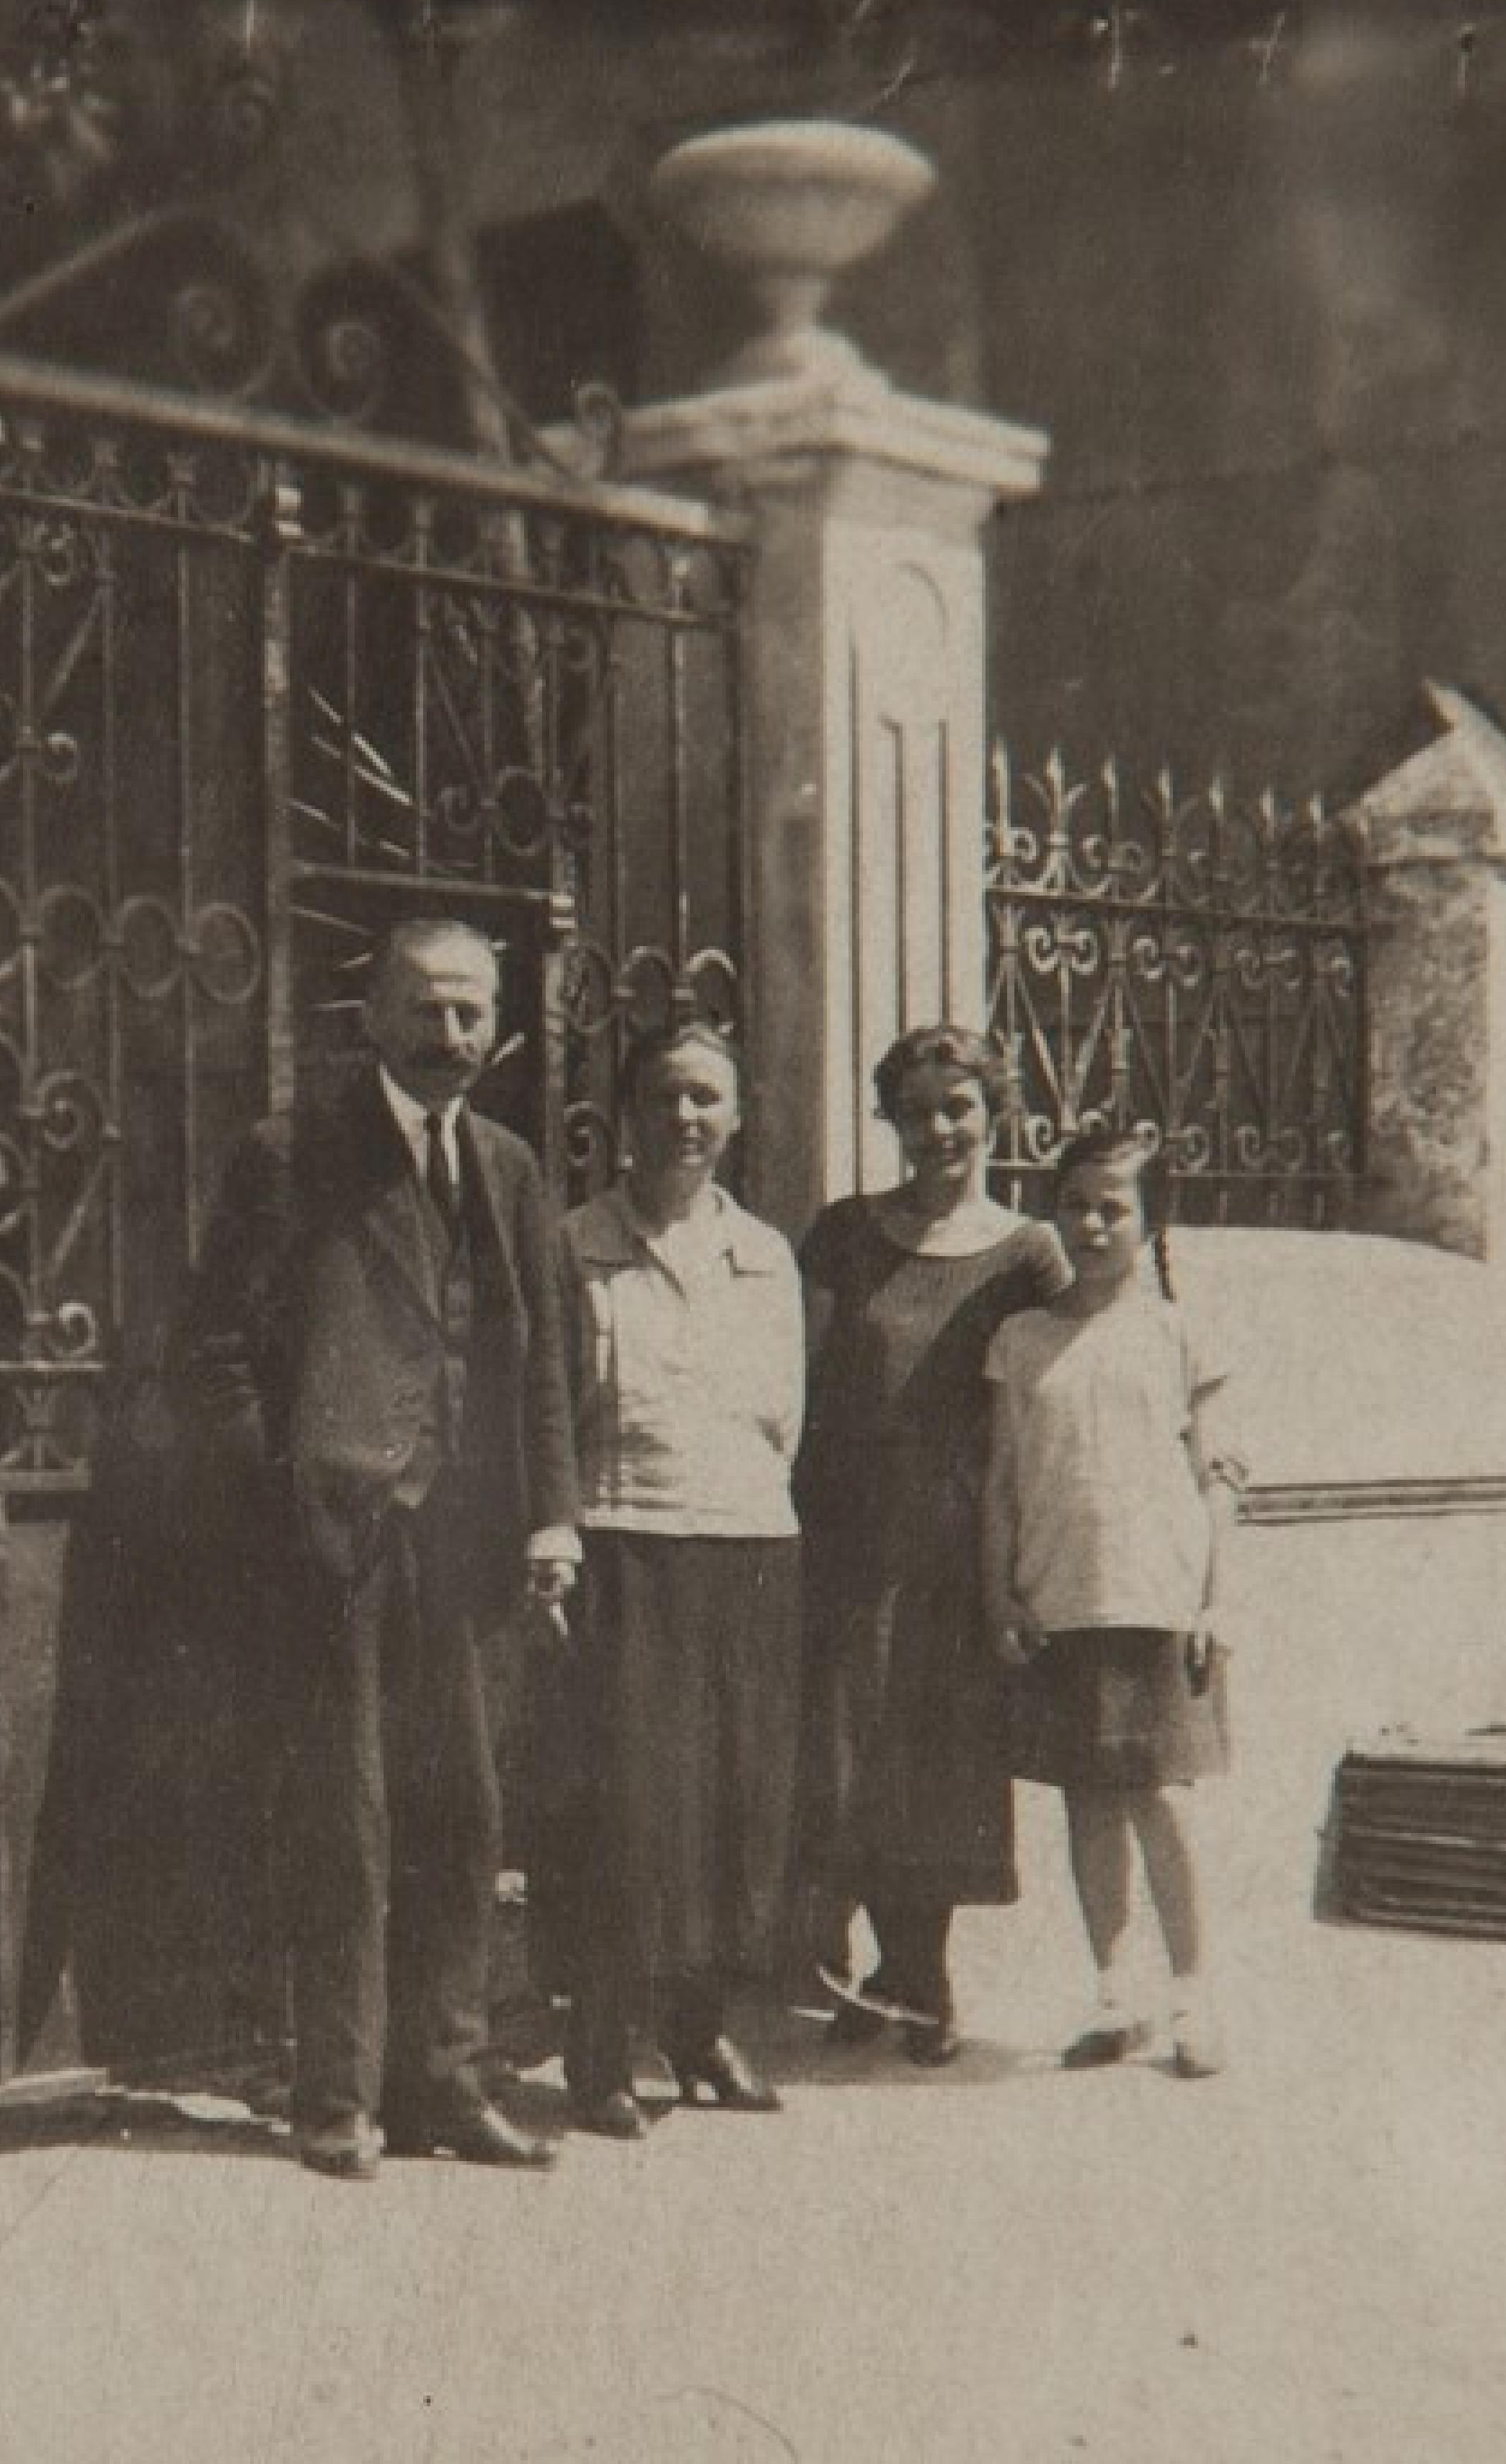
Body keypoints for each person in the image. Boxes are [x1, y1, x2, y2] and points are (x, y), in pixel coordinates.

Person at [177, 917, 581, 2180]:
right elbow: (217, 1351)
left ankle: (444, 2083)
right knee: (344, 1818)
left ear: (498, 1024)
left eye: (471, 1012)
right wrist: (285, 1499)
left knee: (462, 1815)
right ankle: (336, 2097)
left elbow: (544, 1353)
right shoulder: (291, 1153)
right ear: (373, 1019)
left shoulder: (508, 1164)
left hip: (467, 1544)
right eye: (426, 1009)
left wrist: (553, 1513)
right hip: (336, 1540)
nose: (449, 1034)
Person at [792, 1023, 1071, 2063]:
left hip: (959, 1546)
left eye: (959, 1106)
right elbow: (794, 1366)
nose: (940, 1129)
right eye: (917, 1112)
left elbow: (1073, 1372)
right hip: (847, 1533)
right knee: (850, 1756)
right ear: (890, 1122)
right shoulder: (844, 1232)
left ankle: (921, 1973)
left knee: (940, 1764)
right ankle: (885, 1966)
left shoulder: (1029, 1253)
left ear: (994, 1113)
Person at [552, 1021, 805, 2138]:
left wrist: (737, 1497)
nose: (686, 1118)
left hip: (748, 1544)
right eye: (665, 1096)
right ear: (628, 1113)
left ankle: (700, 2031)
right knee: (630, 1809)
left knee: (733, 1804)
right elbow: (553, 1404)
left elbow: (782, 1415)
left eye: (707, 1097)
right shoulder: (577, 1243)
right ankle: (600, 2049)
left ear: (737, 1116)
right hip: (625, 1539)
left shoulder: (767, 1255)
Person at [983, 1121, 1240, 2080]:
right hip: (1062, 1596)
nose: (1091, 1226)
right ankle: (1117, 1992)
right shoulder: (1022, 1340)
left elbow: (1219, 1477)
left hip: (1158, 1596)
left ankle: (1194, 1996)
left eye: (1113, 1208)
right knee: (1089, 1797)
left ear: (1150, 1221)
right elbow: (1003, 1483)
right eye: (1074, 1206)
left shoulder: (1178, 1333)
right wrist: (1000, 1594)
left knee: (1160, 1797)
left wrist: (1217, 1601)